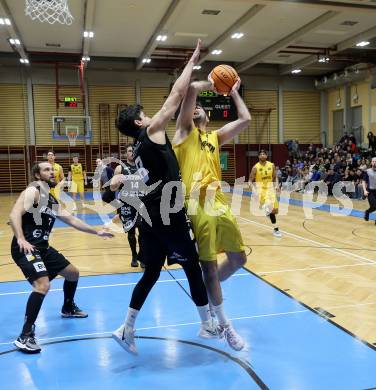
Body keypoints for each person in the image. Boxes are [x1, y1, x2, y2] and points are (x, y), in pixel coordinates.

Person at [113, 40, 219, 355]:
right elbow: (176, 95)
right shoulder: (151, 133)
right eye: (146, 114)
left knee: (152, 272)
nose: (151, 115)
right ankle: (206, 323)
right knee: (192, 266)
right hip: (167, 214)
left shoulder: (139, 149)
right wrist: (194, 58)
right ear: (138, 123)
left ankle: (126, 328)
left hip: (150, 216)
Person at [172, 76, 251, 351]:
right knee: (207, 265)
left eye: (199, 108)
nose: (195, 109)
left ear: (207, 114)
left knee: (238, 258)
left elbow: (245, 119)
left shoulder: (214, 137)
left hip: (218, 199)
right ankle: (224, 324)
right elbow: (192, 89)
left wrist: (234, 92)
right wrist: (212, 83)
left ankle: (208, 290)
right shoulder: (184, 133)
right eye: (190, 108)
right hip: (196, 201)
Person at [9, 162, 113, 353]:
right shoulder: (33, 190)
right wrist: (21, 238)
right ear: (38, 175)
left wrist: (96, 232)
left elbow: (72, 220)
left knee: (73, 273)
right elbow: (14, 213)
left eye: (53, 169)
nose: (52, 172)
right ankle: (25, 336)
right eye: (46, 170)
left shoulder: (51, 200)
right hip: (26, 247)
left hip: (43, 248)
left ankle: (68, 308)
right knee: (42, 285)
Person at [110, 145, 145, 268]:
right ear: (126, 154)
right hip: (126, 205)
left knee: (143, 232)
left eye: (134, 151)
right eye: (130, 151)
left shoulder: (142, 168)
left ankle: (142, 256)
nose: (132, 153)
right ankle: (134, 256)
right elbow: (112, 188)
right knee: (131, 233)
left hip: (141, 203)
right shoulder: (120, 168)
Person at [250, 150, 282, 238]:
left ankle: (267, 212)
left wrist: (277, 186)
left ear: (266, 156)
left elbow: (275, 177)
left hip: (271, 189)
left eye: (264, 154)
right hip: (261, 190)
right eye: (261, 154)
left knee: (275, 211)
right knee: (270, 208)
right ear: (258, 156)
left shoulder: (271, 165)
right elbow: (250, 181)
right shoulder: (255, 167)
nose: (262, 155)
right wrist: (254, 190)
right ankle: (276, 229)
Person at [362, 157, 376, 224]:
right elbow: (364, 181)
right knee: (374, 206)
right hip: (370, 191)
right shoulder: (367, 171)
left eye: (375, 161)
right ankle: (367, 212)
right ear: (371, 162)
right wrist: (364, 190)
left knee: (374, 207)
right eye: (373, 161)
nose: (374, 163)